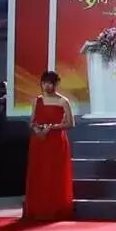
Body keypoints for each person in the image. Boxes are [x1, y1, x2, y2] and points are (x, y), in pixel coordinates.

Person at [24, 70, 74, 221]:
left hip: (56, 142)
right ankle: (37, 208)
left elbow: (70, 124)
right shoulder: (37, 101)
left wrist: (51, 127)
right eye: (44, 83)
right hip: (39, 141)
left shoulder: (63, 101)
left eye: (49, 83)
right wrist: (36, 129)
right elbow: (32, 121)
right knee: (38, 173)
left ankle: (56, 208)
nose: (46, 86)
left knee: (54, 174)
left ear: (56, 84)